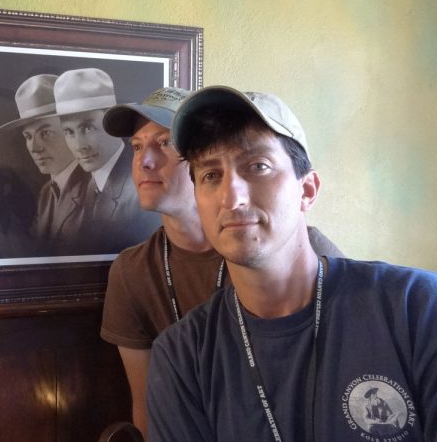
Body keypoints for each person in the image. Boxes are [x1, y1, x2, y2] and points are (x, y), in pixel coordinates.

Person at [146, 86, 437, 441]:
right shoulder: (182, 356)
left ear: (308, 190)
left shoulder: (416, 307)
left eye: (258, 166)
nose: (231, 197)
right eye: (211, 175)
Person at [99, 87, 344, 438]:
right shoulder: (134, 274)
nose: (144, 161)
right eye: (136, 147)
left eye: (164, 143)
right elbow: (148, 412)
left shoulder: (297, 251)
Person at [54, 68, 160, 254]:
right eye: (69, 132)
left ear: (112, 123)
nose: (79, 146)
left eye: (87, 128)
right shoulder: (74, 187)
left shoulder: (143, 187)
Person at [0, 74, 90, 253]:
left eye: (45, 133)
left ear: (71, 131)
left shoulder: (95, 187)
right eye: (28, 136)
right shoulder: (47, 192)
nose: (34, 148)